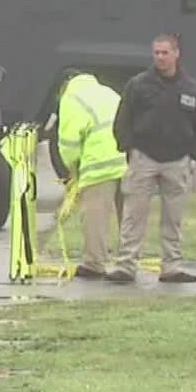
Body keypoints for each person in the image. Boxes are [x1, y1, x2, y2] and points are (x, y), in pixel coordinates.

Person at [110, 34, 196, 283]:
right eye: (156, 53)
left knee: (173, 218)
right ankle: (126, 266)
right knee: (133, 215)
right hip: (144, 157)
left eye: (165, 53)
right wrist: (128, 148)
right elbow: (122, 120)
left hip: (177, 160)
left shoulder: (192, 88)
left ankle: (172, 267)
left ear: (176, 54)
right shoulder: (138, 85)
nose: (160, 58)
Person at [46, 69, 127, 279]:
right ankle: (129, 262)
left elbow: (69, 143)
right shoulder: (108, 92)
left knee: (95, 216)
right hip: (127, 159)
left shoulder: (71, 99)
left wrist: (72, 170)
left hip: (100, 163)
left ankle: (94, 263)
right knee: (128, 217)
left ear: (63, 86)